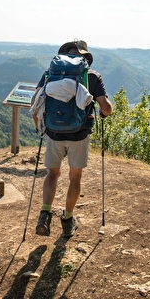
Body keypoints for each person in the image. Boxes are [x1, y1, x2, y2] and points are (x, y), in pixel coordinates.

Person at [31, 40, 113, 238]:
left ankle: (44, 214)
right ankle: (68, 220)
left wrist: (40, 127)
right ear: (85, 57)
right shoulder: (91, 76)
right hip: (79, 133)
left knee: (52, 174)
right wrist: (102, 109)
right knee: (74, 177)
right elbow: (107, 109)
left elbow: (34, 102)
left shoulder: (50, 73)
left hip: (53, 132)